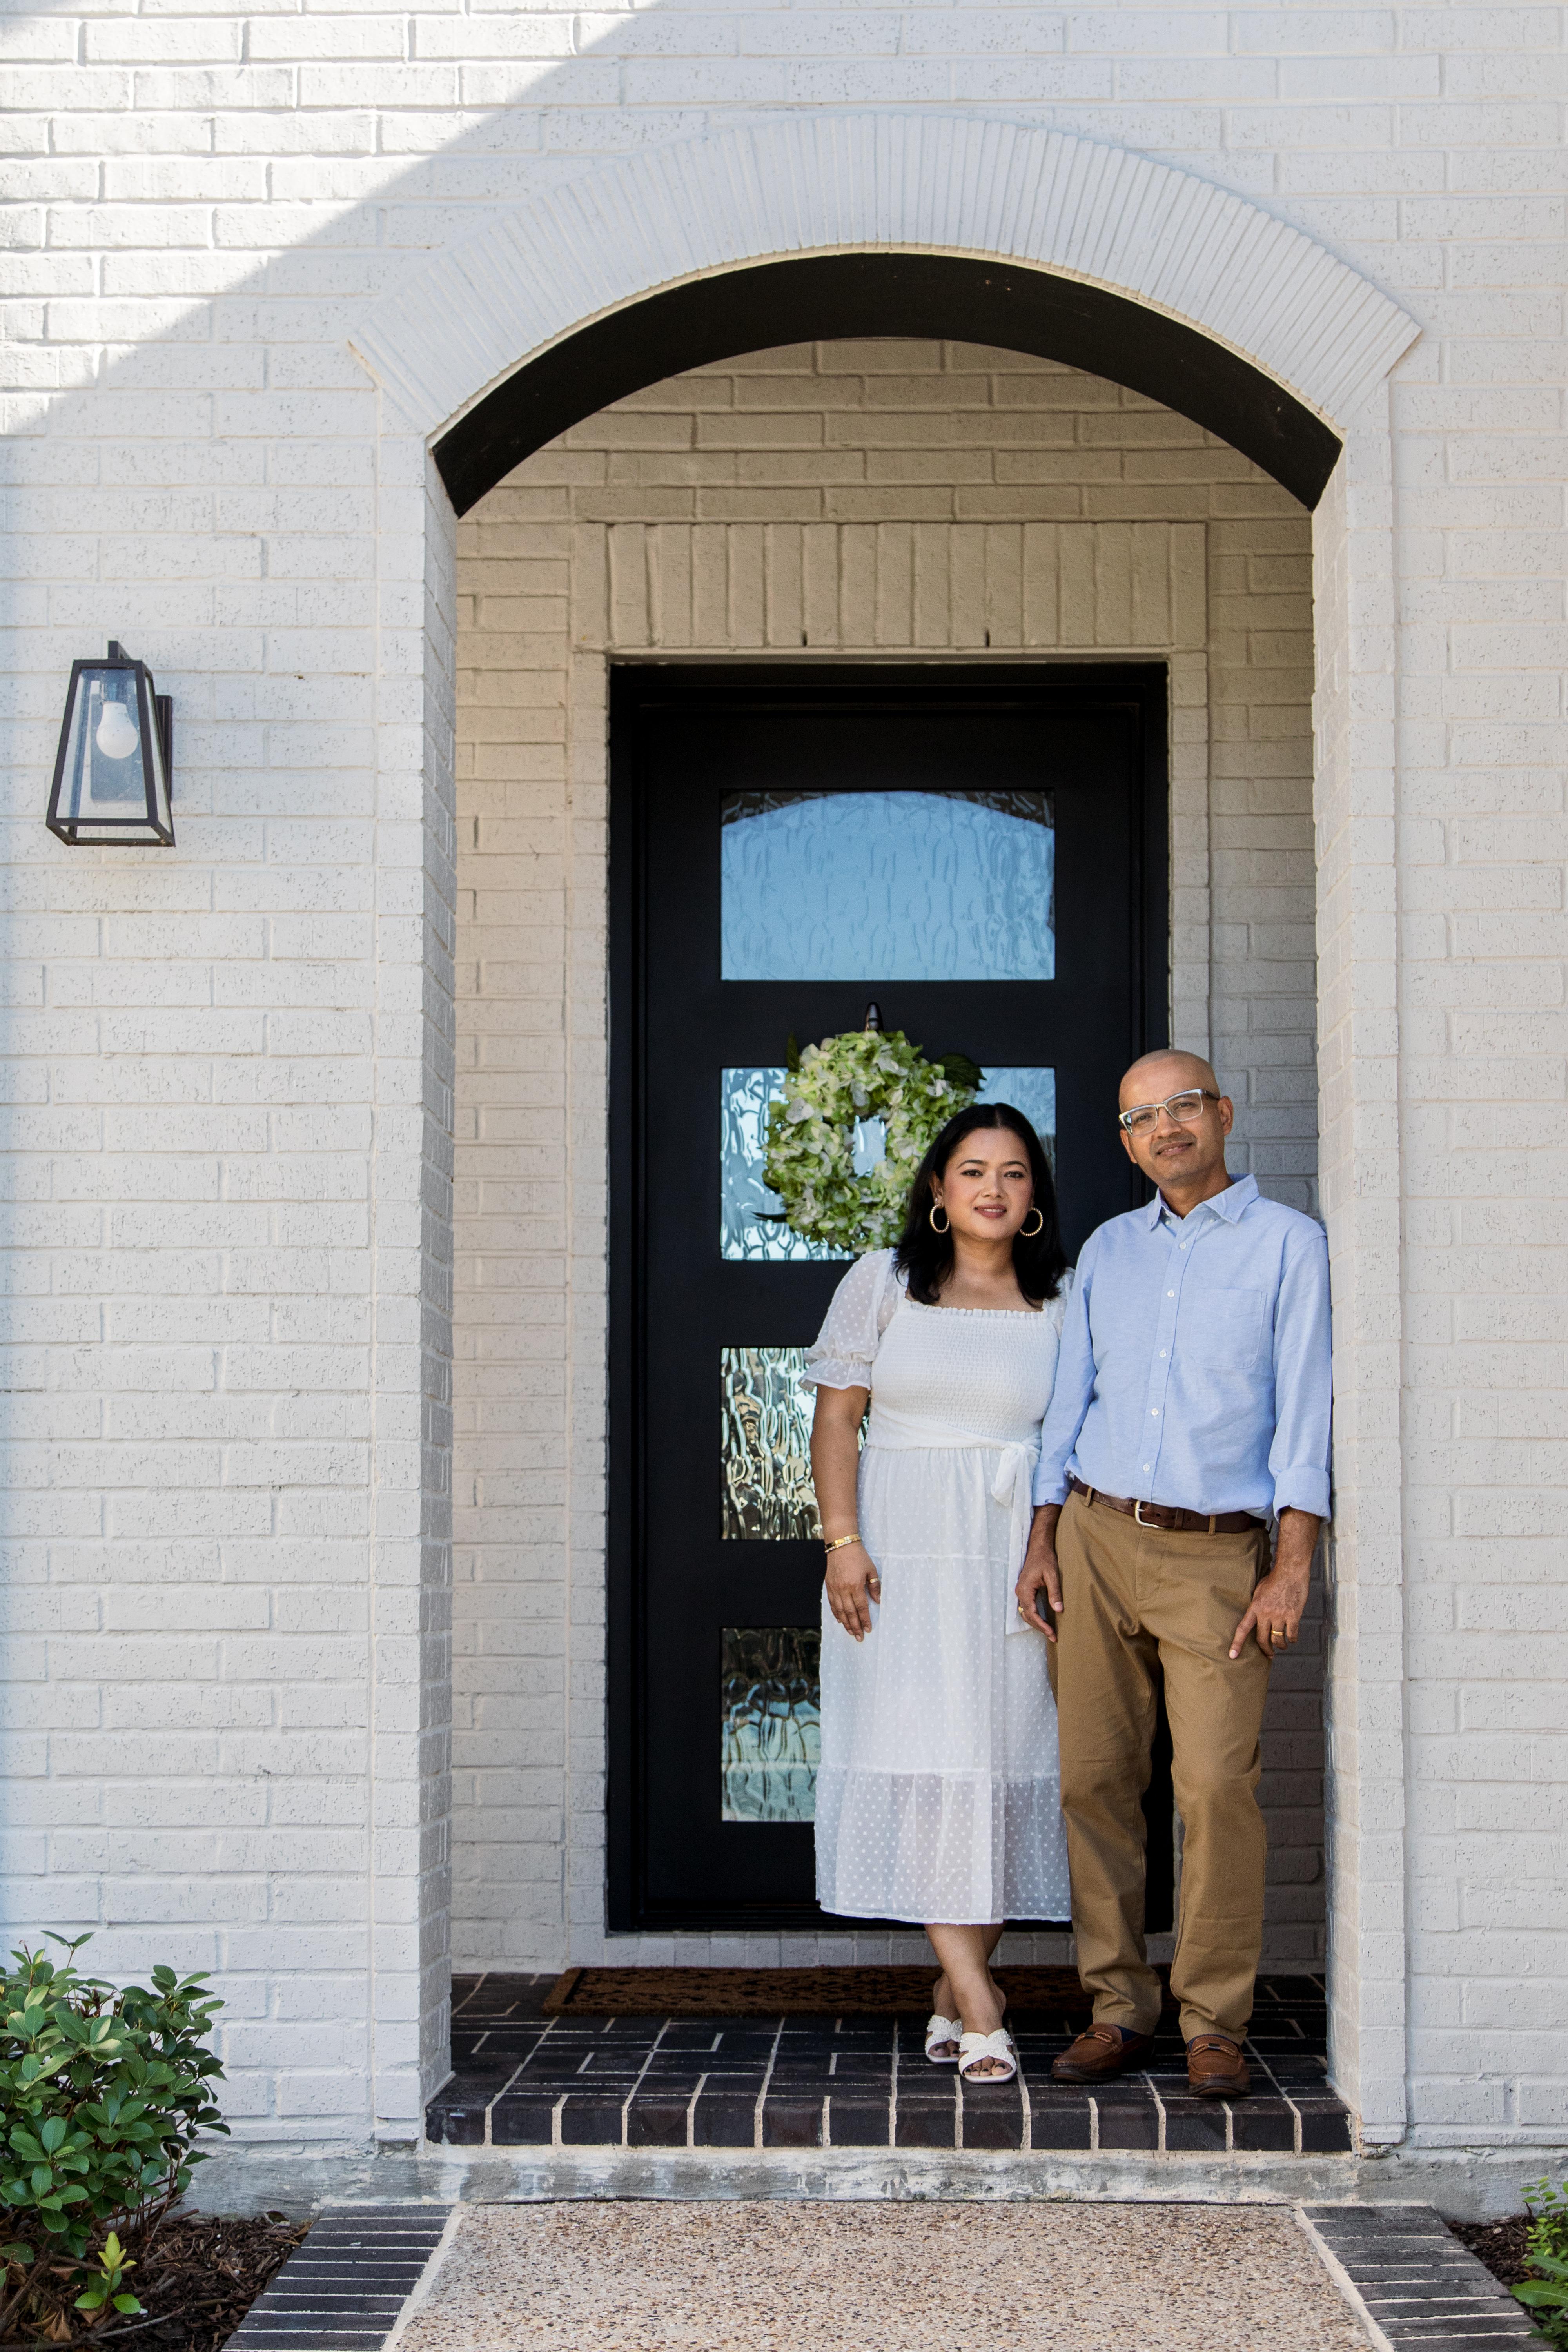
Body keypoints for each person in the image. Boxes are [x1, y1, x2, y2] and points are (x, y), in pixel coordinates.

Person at [1016, 1051, 1331, 2100]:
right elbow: (1068, 1403)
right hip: (1095, 1540)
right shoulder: (1110, 1251)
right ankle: (1117, 2007)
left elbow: (1306, 1417)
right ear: (1126, 1141)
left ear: (1222, 1115)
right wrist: (1040, 1535)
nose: (1165, 1129)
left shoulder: (1292, 1248)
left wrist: (1292, 1566)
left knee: (1213, 1790)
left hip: (1217, 1556)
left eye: (1182, 1107)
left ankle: (1214, 2022)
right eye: (1141, 1118)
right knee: (1095, 1783)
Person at [806, 1104, 1073, 2086]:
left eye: (1012, 1172)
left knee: (1000, 1757)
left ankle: (951, 1990)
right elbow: (837, 1424)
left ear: (1033, 1194)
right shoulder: (881, 1282)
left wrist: (1044, 1543)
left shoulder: (1067, 1297)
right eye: (971, 1171)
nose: (992, 1189)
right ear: (937, 1187)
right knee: (921, 1757)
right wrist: (842, 1543)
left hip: (1014, 1554)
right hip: (902, 1553)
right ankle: (983, 2002)